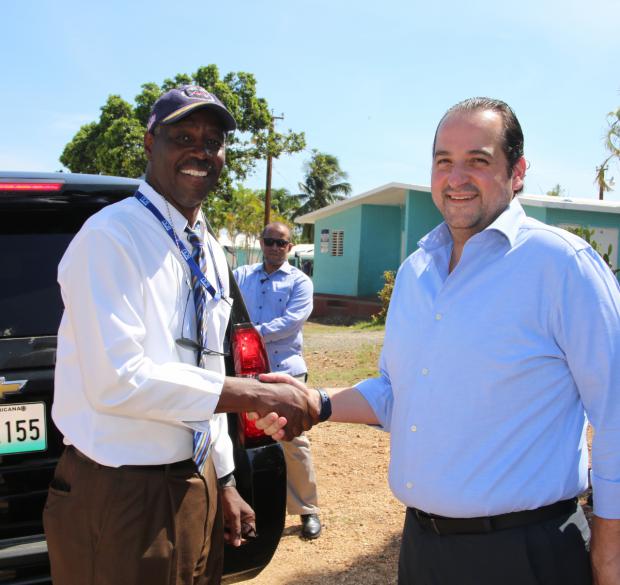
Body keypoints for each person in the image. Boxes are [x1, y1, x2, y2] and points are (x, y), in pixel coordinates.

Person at [257, 98, 620, 585]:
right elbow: (396, 391)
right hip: (424, 549)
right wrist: (316, 402)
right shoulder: (416, 272)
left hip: (526, 556)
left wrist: (609, 556)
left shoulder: (562, 266)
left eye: (478, 160)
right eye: (443, 161)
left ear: (518, 172)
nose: (456, 177)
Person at [43, 85, 318, 585]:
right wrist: (251, 392)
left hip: (196, 485)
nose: (201, 151)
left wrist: (225, 478)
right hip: (121, 495)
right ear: (150, 143)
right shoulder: (111, 237)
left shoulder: (208, 249)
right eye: (183, 136)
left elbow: (206, 368)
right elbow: (118, 379)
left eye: (213, 141)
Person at [234, 222, 322, 539]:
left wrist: (247, 334)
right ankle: (242, 509)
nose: (274, 247)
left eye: (280, 243)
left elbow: (290, 322)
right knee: (237, 440)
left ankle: (307, 509)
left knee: (292, 439)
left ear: (289, 246)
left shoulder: (300, 283)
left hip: (284, 370)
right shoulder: (241, 276)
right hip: (242, 371)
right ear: (261, 243)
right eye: (269, 241)